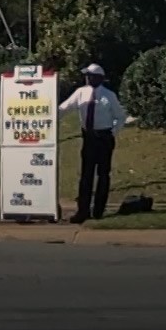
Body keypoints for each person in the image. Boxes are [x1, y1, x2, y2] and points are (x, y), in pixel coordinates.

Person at [58, 63, 126, 222]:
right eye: (87, 76)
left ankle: (98, 211)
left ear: (99, 78)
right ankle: (83, 211)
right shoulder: (80, 93)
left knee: (103, 174)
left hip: (104, 137)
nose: (88, 78)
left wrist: (112, 132)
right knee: (86, 175)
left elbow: (120, 116)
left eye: (91, 76)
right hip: (88, 137)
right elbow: (64, 108)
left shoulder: (109, 96)